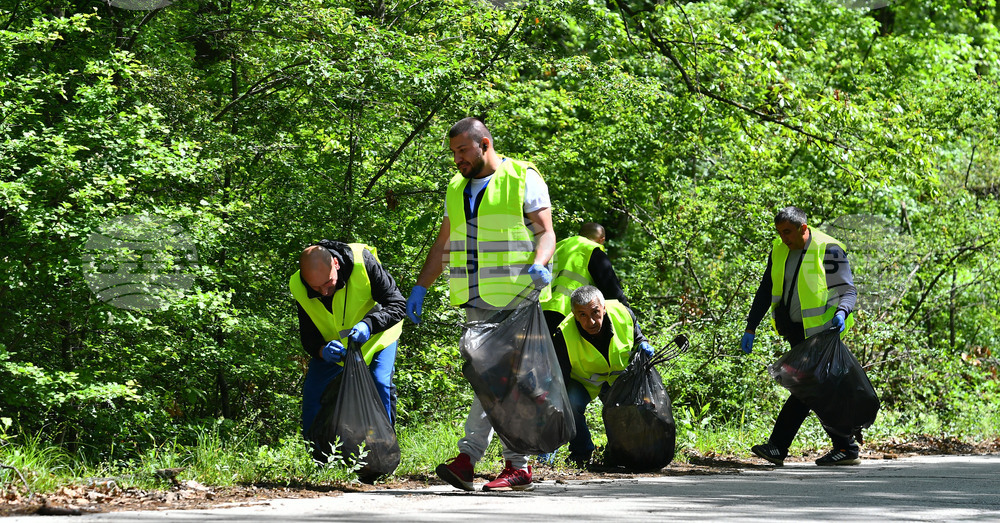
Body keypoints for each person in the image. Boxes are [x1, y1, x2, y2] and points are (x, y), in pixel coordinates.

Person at [405, 117, 555, 492]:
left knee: (498, 378)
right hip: (476, 298)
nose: (457, 159)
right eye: (453, 152)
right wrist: (420, 287)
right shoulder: (456, 188)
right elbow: (444, 244)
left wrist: (540, 263)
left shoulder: (523, 177)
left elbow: (546, 232)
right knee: (492, 378)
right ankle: (503, 464)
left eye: (462, 150)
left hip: (518, 295)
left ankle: (474, 458)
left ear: (484, 144)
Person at [741, 206, 859, 466]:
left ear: (803, 228)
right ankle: (846, 447)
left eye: (788, 232)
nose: (784, 238)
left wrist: (841, 312)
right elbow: (765, 289)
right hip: (794, 331)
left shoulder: (829, 248)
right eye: (780, 232)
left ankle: (778, 447)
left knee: (805, 387)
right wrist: (751, 326)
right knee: (816, 390)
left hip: (823, 332)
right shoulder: (779, 249)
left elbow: (848, 290)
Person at [290, 240, 406, 444]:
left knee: (380, 383)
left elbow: (397, 305)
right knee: (313, 393)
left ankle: (383, 449)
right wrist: (321, 350)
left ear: (336, 263)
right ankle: (318, 455)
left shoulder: (362, 263)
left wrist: (369, 325)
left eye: (328, 283)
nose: (324, 292)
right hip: (336, 349)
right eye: (316, 288)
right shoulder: (299, 286)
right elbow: (308, 337)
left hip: (378, 337)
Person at [551, 286, 652, 466]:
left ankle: (621, 451)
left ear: (603, 308)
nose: (591, 321)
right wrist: (552, 429)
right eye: (582, 315)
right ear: (574, 315)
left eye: (595, 312)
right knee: (570, 404)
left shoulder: (623, 314)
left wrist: (643, 344)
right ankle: (581, 453)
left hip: (618, 380)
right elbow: (560, 380)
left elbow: (638, 338)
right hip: (582, 381)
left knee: (628, 413)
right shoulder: (563, 335)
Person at [542, 222, 629, 337]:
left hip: (539, 312)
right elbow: (611, 290)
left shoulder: (557, 247)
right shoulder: (592, 250)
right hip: (569, 315)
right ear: (602, 239)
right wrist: (628, 313)